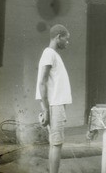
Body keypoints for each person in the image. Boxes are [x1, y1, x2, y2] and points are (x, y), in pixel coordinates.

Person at [35, 24, 72, 173]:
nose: (67, 42)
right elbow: (42, 82)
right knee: (57, 144)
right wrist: (46, 110)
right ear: (58, 37)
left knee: (55, 143)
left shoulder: (53, 55)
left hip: (56, 105)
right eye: (66, 39)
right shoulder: (49, 53)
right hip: (54, 105)